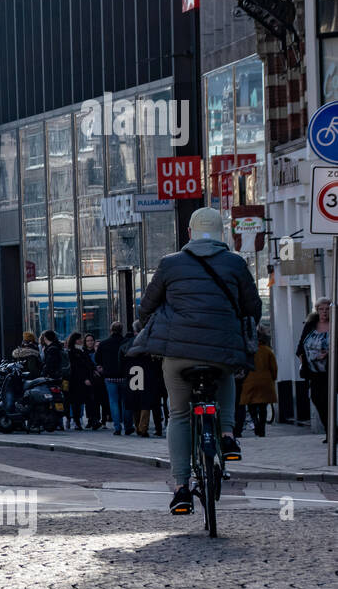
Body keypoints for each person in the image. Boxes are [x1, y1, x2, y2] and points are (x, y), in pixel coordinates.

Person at [128, 207, 261, 516]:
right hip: (221, 348)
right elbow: (252, 307)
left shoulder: (169, 264)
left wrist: (148, 325)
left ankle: (181, 488)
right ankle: (227, 436)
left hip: (177, 353)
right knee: (225, 372)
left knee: (178, 414)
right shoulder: (235, 263)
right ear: (221, 233)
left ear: (189, 233)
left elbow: (146, 307)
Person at [296, 299, 331, 441]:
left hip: (331, 371)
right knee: (318, 400)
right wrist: (304, 359)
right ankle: (330, 431)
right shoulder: (310, 325)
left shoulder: (335, 324)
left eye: (327, 309)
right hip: (314, 372)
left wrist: (329, 354)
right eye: (321, 309)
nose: (324, 312)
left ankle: (333, 432)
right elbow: (300, 347)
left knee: (331, 401)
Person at [236, 327, 277, 438]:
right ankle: (262, 429)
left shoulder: (247, 351)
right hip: (265, 383)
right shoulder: (267, 351)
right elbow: (274, 368)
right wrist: (273, 379)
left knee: (252, 407)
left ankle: (256, 423)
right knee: (263, 408)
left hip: (249, 382)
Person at [96, 322, 131, 436]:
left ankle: (117, 427)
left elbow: (97, 359)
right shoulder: (127, 342)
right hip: (124, 376)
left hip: (109, 376)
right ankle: (128, 426)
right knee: (125, 402)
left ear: (110, 330)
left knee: (113, 402)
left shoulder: (104, 343)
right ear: (122, 330)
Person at [65, 332, 94, 431]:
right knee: (76, 402)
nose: (81, 340)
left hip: (83, 380)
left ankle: (88, 420)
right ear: (75, 340)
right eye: (79, 339)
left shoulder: (81, 350)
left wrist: (94, 369)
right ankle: (76, 421)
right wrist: (84, 378)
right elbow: (77, 368)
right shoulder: (72, 352)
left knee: (84, 401)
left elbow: (88, 363)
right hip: (76, 381)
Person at [83, 333, 106, 429]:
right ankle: (90, 419)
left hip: (98, 379)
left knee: (96, 400)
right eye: (88, 341)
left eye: (91, 340)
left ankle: (96, 419)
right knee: (88, 400)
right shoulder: (83, 353)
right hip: (88, 378)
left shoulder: (98, 351)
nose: (90, 342)